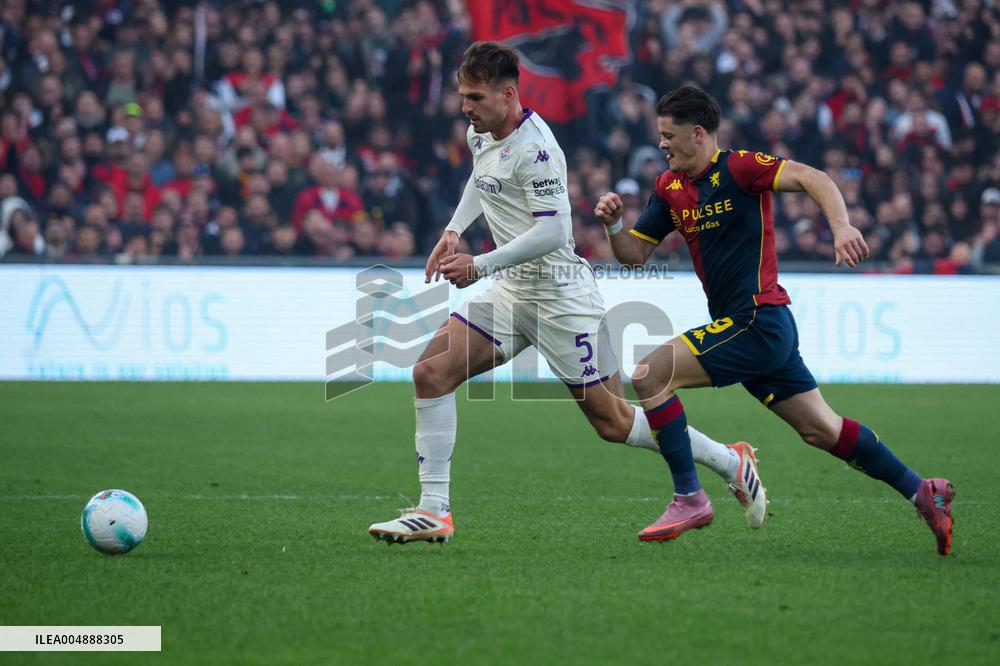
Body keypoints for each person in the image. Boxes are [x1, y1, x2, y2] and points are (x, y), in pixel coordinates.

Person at [368, 45, 767, 545]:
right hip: (513, 290)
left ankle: (730, 460)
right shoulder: (481, 132)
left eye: (475, 96)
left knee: (612, 421)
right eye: (462, 95)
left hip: (562, 298)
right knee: (430, 372)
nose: (465, 107)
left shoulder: (538, 151)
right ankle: (433, 511)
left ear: (508, 93)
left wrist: (480, 263)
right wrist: (453, 230)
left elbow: (556, 233)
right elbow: (481, 178)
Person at [594, 86, 954, 554]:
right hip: (756, 329)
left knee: (649, 373)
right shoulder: (669, 187)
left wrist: (842, 225)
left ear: (697, 134)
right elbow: (635, 256)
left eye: (668, 135)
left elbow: (813, 177)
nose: (661, 145)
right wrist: (613, 226)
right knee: (822, 430)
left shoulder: (741, 168)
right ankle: (922, 490)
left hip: (757, 319)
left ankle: (690, 496)